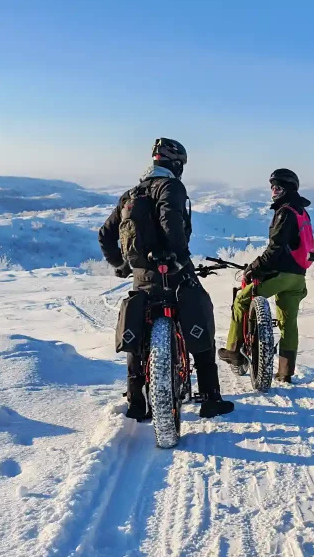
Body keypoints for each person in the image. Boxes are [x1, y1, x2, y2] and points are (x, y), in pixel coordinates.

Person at [98, 137, 235, 421]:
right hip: (172, 270)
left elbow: (105, 234)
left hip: (141, 277)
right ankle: (210, 398)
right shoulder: (170, 186)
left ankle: (137, 401)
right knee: (200, 311)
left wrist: (122, 266)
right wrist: (180, 258)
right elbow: (170, 222)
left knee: (137, 325)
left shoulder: (131, 194)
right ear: (175, 164)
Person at [218, 168, 313, 382]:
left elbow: (275, 249)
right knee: (289, 323)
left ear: (288, 189)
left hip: (281, 275)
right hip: (299, 277)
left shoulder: (286, 212)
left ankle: (233, 351)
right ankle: (285, 372)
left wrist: (254, 266)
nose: (273, 191)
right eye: (272, 187)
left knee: (242, 300)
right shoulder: (301, 212)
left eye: (277, 187)